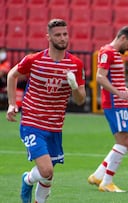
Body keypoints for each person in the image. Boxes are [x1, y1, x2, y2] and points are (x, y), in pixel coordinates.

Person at [6, 19, 86, 203]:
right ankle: (27, 180)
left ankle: (29, 181)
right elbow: (12, 75)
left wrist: (74, 85)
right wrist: (12, 104)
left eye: (65, 34)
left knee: (48, 175)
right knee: (46, 170)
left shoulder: (76, 64)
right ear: (48, 37)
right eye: (58, 34)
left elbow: (81, 100)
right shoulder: (35, 60)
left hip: (55, 126)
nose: (62, 38)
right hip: (32, 122)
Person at [87, 26, 128, 192]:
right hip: (114, 103)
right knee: (125, 142)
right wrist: (119, 94)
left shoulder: (114, 53)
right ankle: (107, 182)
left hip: (118, 102)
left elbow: (112, 79)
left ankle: (98, 175)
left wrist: (126, 90)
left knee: (126, 143)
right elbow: (100, 77)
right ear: (122, 38)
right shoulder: (108, 52)